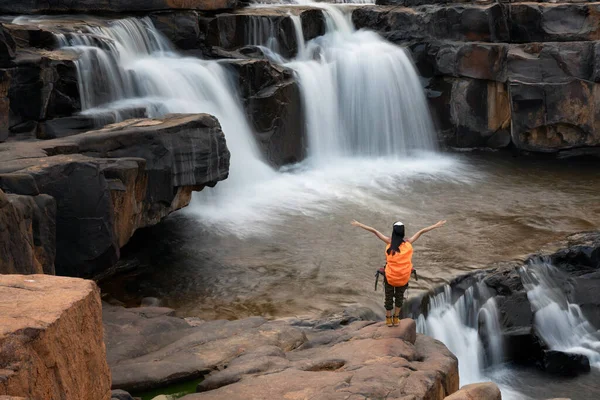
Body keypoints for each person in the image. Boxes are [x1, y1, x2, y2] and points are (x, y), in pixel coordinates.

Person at [351, 219, 446, 327]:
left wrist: (359, 224)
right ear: (403, 232)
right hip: (403, 278)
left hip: (390, 278)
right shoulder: (408, 242)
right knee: (399, 298)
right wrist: (436, 225)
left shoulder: (389, 242)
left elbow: (374, 231)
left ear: (393, 231)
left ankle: (388, 319)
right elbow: (421, 232)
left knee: (389, 297)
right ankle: (396, 318)